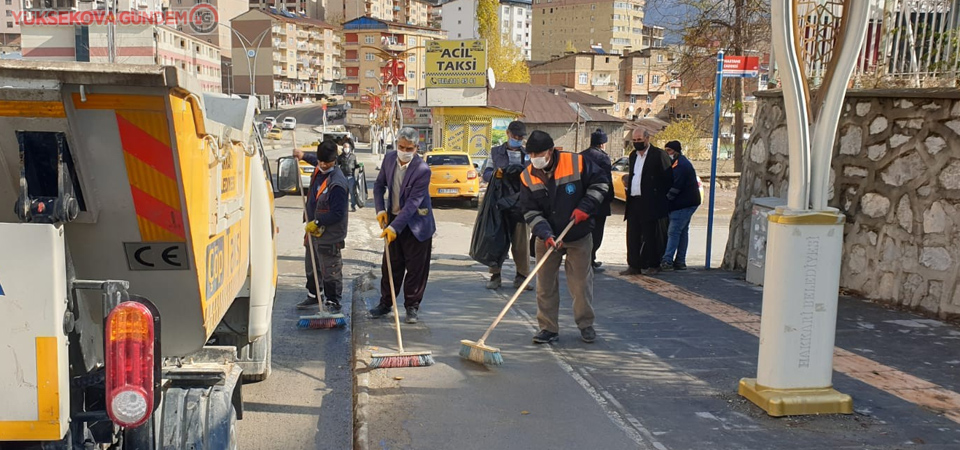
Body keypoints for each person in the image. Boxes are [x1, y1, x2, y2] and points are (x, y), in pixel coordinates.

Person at [519, 130, 611, 344]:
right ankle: (548, 328)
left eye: (539, 153)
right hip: (547, 238)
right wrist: (545, 233)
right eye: (531, 154)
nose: (535, 158)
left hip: (577, 234)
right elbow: (529, 211)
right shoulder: (526, 176)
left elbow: (601, 183)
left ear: (551, 150)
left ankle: (586, 324)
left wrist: (586, 207)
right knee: (545, 285)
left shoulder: (576, 162)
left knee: (580, 283)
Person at [370, 127, 437, 324]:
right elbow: (378, 185)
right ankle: (385, 303)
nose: (404, 151)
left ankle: (412, 306)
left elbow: (412, 205)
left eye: (409, 148)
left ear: (416, 148)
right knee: (390, 266)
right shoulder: (389, 159)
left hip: (417, 225)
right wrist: (381, 210)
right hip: (393, 218)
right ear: (396, 144)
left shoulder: (422, 170)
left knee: (416, 269)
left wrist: (394, 228)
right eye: (401, 147)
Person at [294, 141, 349, 312]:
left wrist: (317, 222)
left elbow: (338, 213)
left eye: (327, 163)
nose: (323, 165)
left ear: (334, 161)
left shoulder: (337, 183)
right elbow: (314, 160)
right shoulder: (318, 168)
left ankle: (333, 300)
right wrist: (302, 155)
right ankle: (314, 294)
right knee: (312, 264)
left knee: (330, 268)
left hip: (330, 234)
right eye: (321, 162)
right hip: (313, 231)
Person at [481, 120, 532, 290]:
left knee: (521, 242)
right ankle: (495, 276)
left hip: (521, 203)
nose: (517, 139)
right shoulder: (496, 153)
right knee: (496, 239)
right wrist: (497, 174)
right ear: (507, 134)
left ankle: (522, 277)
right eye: (515, 135)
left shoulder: (528, 155)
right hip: (499, 203)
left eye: (520, 137)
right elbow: (486, 174)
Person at [621, 128, 673, 276]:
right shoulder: (633, 156)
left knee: (651, 236)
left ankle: (653, 264)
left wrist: (657, 194)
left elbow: (668, 178)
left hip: (651, 202)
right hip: (634, 201)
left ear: (647, 139)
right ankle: (633, 265)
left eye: (639, 140)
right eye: (634, 140)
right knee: (632, 235)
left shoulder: (658, 155)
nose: (637, 143)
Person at [660, 140, 702, 271]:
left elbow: (676, 187)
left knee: (673, 231)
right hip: (688, 202)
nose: (667, 154)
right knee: (682, 232)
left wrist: (665, 201)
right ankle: (680, 261)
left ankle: (667, 260)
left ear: (676, 151)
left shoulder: (681, 166)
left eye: (669, 151)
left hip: (683, 204)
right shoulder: (678, 163)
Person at [581, 128, 614, 271]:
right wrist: (610, 197)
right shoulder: (603, 158)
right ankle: (590, 261)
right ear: (602, 144)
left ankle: (587, 260)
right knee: (597, 232)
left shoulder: (581, 155)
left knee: (585, 232)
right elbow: (607, 180)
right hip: (599, 202)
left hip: (583, 201)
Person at [338, 137, 362, 211]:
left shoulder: (353, 157)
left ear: (349, 148)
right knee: (343, 193)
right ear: (343, 148)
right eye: (345, 147)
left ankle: (353, 206)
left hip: (351, 177)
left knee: (352, 193)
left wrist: (360, 166)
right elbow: (336, 165)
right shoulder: (340, 157)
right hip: (343, 177)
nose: (346, 148)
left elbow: (355, 165)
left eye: (347, 147)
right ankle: (343, 206)